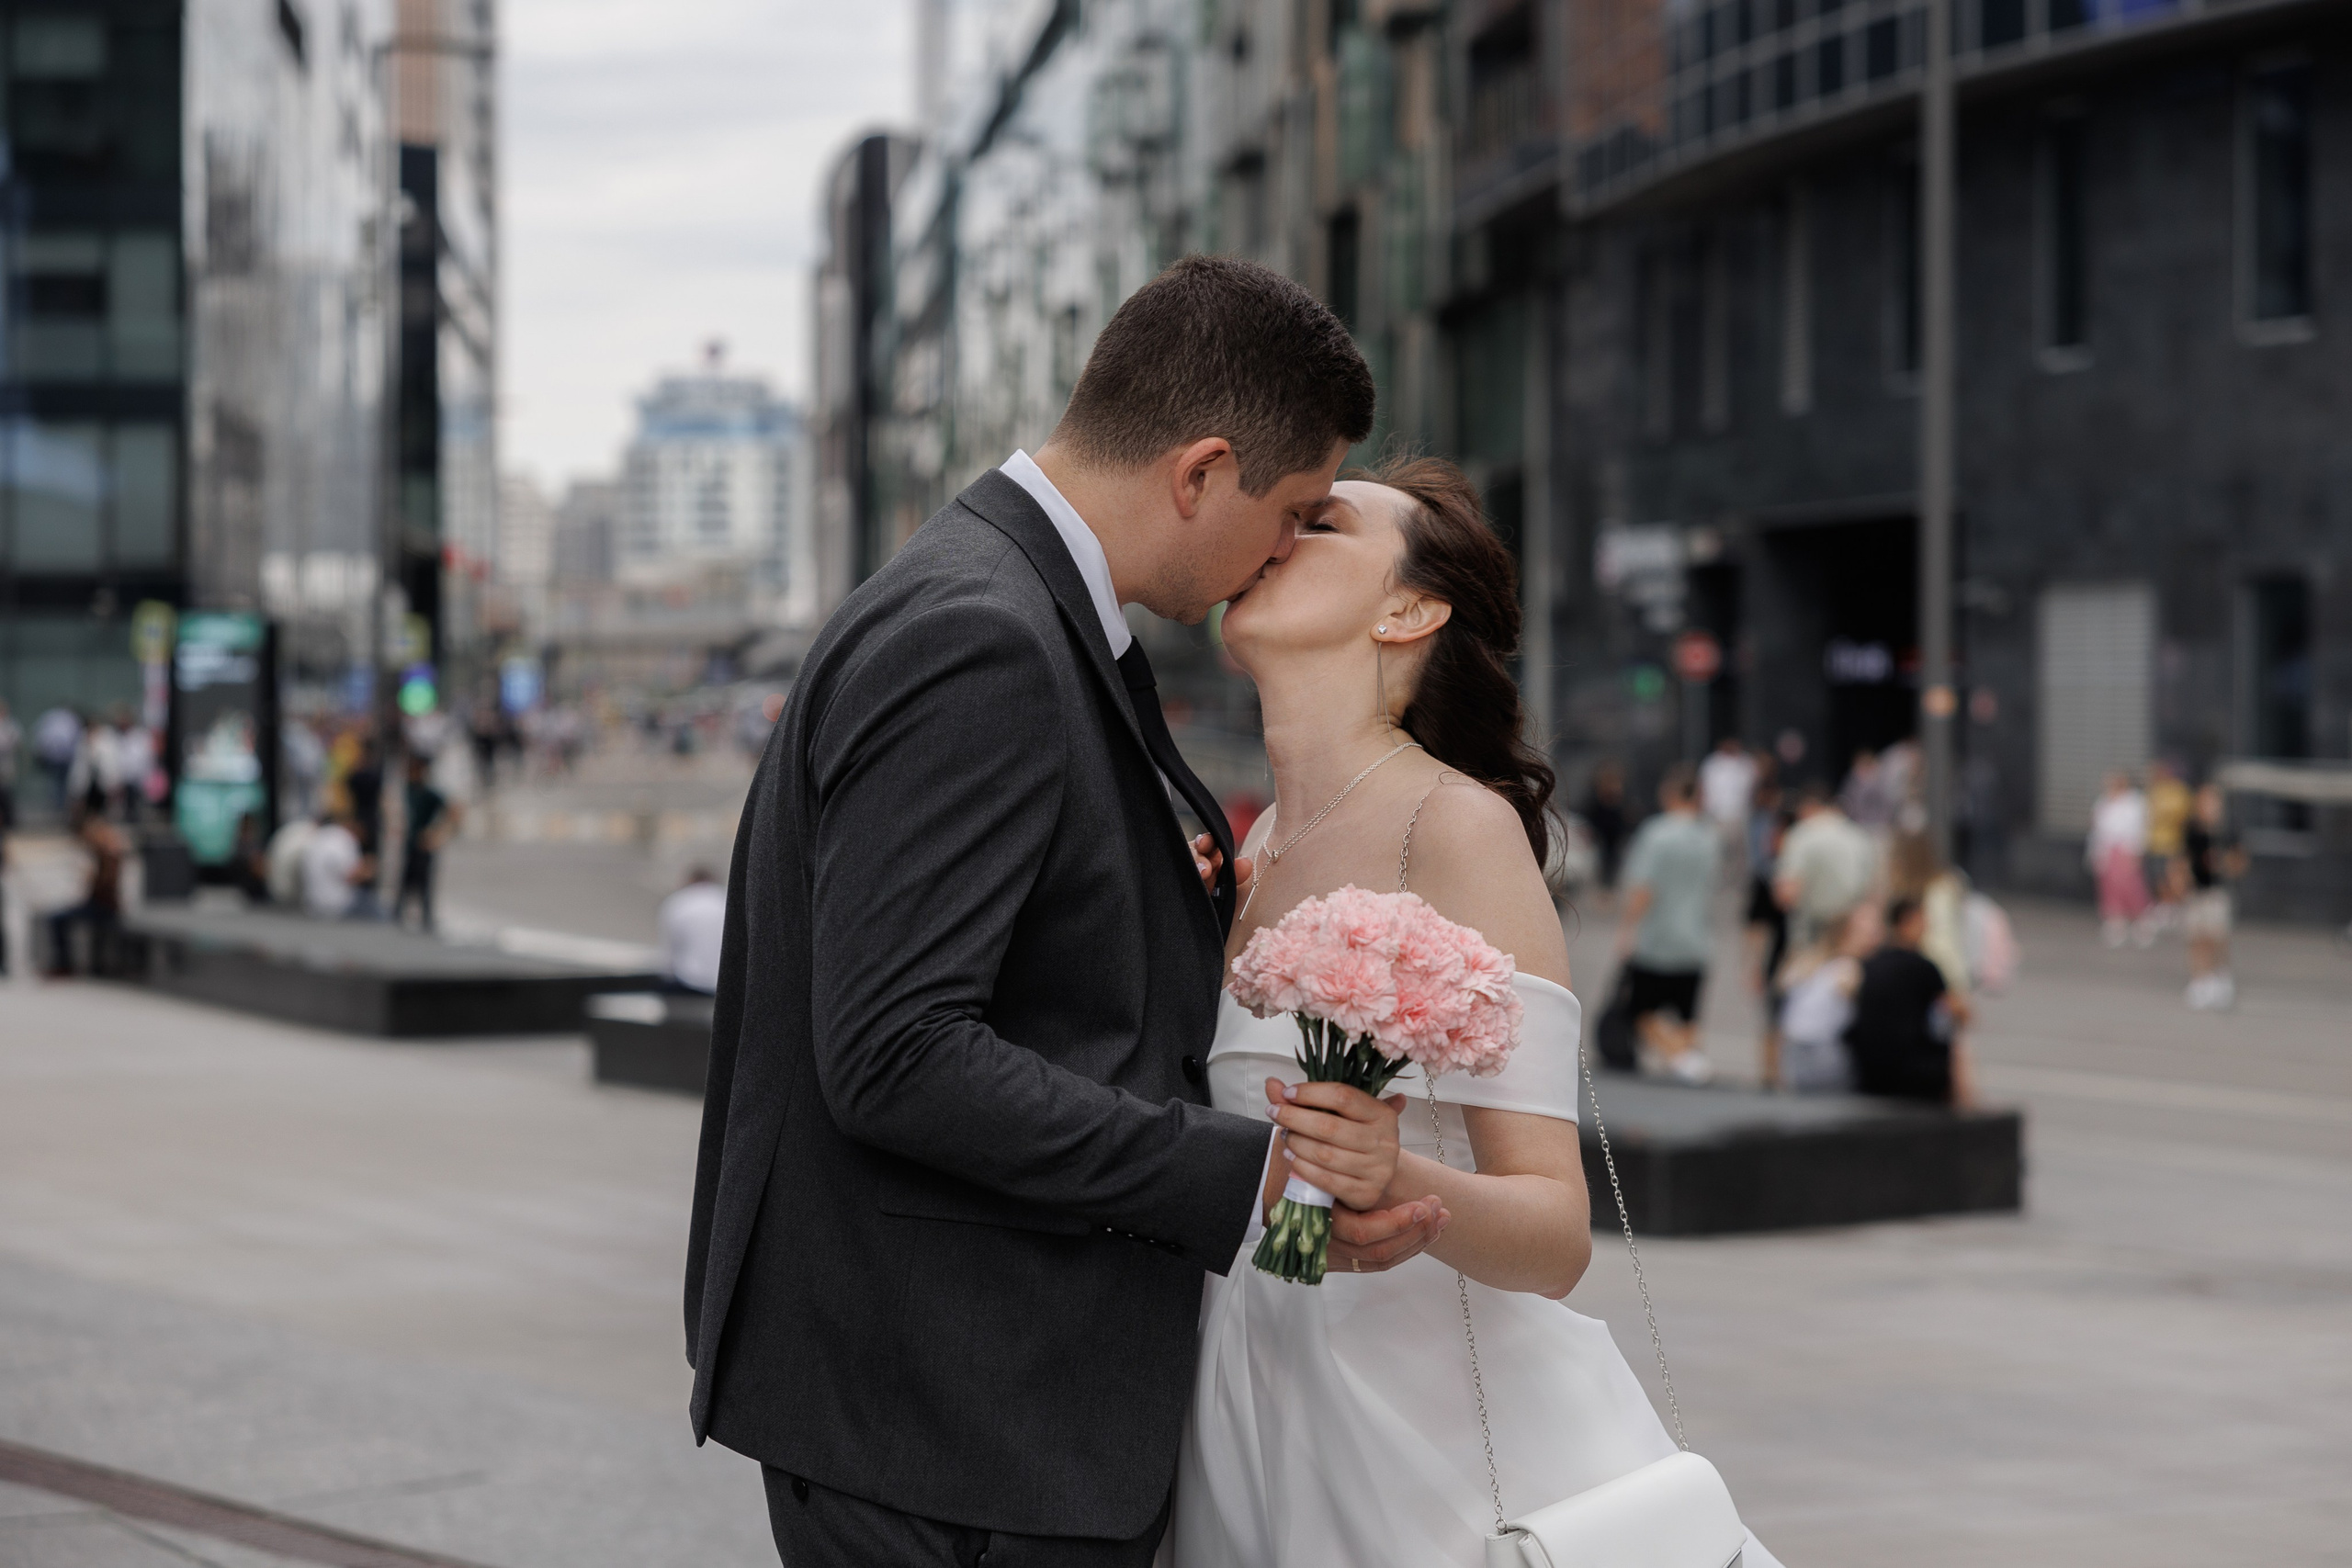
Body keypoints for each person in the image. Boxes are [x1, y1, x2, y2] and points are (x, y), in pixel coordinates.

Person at [686, 256, 1435, 1568]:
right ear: (1200, 471)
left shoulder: (1017, 607)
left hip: (963, 1401)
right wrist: (1248, 1175)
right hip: (951, 1415)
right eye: (1295, 508)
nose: (1285, 549)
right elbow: (897, 1052)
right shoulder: (981, 634)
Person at [1164, 456, 1780, 1568]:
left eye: (1322, 525)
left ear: (1408, 609)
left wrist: (1393, 1176)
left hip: (1431, 1446)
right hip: (1252, 1400)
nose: (1277, 537)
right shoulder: (1244, 850)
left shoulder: (1456, 827)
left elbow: (1555, 1234)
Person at [1611, 763, 1722, 1084]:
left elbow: (1643, 888)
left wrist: (1627, 930)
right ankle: (1688, 1060)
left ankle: (1684, 1060)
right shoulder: (1709, 837)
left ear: (1671, 793)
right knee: (1688, 1016)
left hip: (1658, 938)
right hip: (1697, 938)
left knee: (1640, 1010)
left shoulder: (1656, 833)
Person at [1847, 897, 1977, 1107]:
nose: (1927, 927)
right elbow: (1962, 1013)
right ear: (1908, 922)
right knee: (1958, 1049)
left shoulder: (1871, 962)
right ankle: (1969, 1113)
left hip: (1865, 1067)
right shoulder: (1924, 967)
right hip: (1910, 1070)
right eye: (1923, 920)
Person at [1775, 901, 1882, 1094]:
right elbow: (1785, 985)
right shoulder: (1823, 963)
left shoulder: (1850, 967)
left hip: (1821, 1045)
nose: (1873, 938)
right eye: (1866, 932)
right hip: (1801, 1045)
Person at [2181, 784, 2245, 1011]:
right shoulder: (2193, 829)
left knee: (2216, 938)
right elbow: (2184, 860)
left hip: (2217, 892)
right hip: (2197, 892)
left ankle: (2220, 979)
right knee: (2197, 938)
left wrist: (2224, 863)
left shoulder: (2227, 831)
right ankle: (2200, 981)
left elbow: (2240, 863)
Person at [42, 806, 127, 976]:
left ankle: (63, 963)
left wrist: (91, 877)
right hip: (99, 904)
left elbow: (104, 886)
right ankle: (64, 963)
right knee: (59, 915)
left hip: (103, 906)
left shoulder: (108, 854)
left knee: (57, 919)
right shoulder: (99, 853)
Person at [393, 752, 459, 932]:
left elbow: (454, 810)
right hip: (411, 843)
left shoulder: (429, 792)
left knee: (424, 885)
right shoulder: (409, 788)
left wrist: (438, 833)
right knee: (405, 882)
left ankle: (426, 919)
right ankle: (398, 915)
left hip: (423, 845)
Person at [2086, 770, 2150, 947]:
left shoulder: (2134, 803)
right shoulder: (2103, 803)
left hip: (2126, 850)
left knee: (2131, 886)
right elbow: (2098, 830)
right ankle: (2116, 921)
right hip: (2108, 851)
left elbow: (2138, 829)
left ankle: (2141, 920)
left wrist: (2136, 852)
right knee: (2109, 888)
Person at [659, 865, 728, 994]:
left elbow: (670, 948)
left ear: (690, 880)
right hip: (723, 979)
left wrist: (667, 977)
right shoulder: (725, 899)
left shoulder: (677, 902)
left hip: (688, 979)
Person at [1697, 735, 1757, 873]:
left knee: (1740, 860)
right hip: (1716, 818)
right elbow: (1703, 790)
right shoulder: (1712, 763)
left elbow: (1752, 790)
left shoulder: (1746, 763)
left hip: (1740, 818)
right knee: (1717, 857)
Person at [2143, 758, 2191, 928]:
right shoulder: (2154, 791)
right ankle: (2164, 906)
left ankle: (2176, 907)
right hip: (2155, 843)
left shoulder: (2179, 791)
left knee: (2173, 878)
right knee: (2158, 878)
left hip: (2173, 843)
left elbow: (2180, 814)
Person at [300, 805, 371, 919]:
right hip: (337, 904)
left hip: (312, 903)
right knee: (379, 909)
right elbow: (350, 875)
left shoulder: (319, 835)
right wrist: (369, 869)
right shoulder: (344, 839)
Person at [1577, 759, 1629, 907]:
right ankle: (1603, 892)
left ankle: (1608, 892)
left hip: (1614, 835)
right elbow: (1590, 813)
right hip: (1601, 835)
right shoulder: (1597, 796)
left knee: (1612, 862)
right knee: (1601, 863)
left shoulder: (1619, 796)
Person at [33, 705, 81, 815]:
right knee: (57, 782)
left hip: (61, 757)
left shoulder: (51, 717)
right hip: (57, 756)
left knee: (59, 782)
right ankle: (58, 804)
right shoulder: (66, 718)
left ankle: (59, 804)